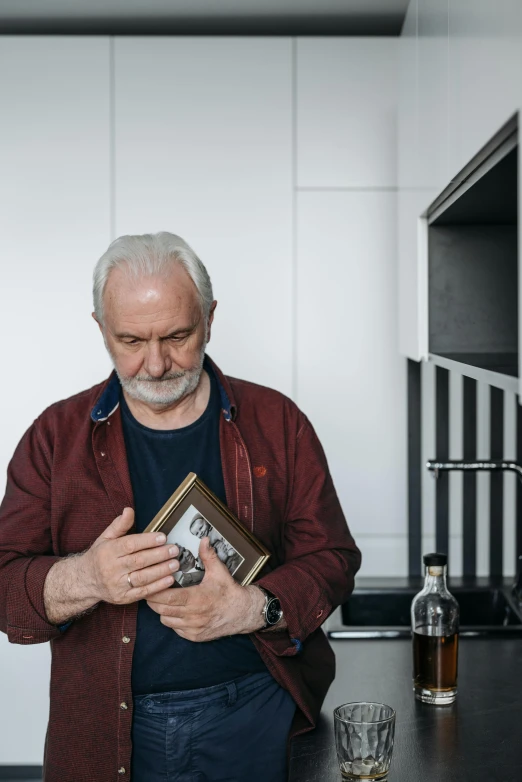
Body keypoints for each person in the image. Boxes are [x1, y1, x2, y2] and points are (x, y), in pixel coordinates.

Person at [0, 231, 361, 782]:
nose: (155, 365)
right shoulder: (54, 437)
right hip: (102, 727)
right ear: (100, 329)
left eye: (177, 336)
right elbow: (5, 588)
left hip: (256, 712)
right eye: (130, 340)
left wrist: (255, 608)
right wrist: (86, 579)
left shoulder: (279, 422)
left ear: (210, 318)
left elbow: (333, 557)